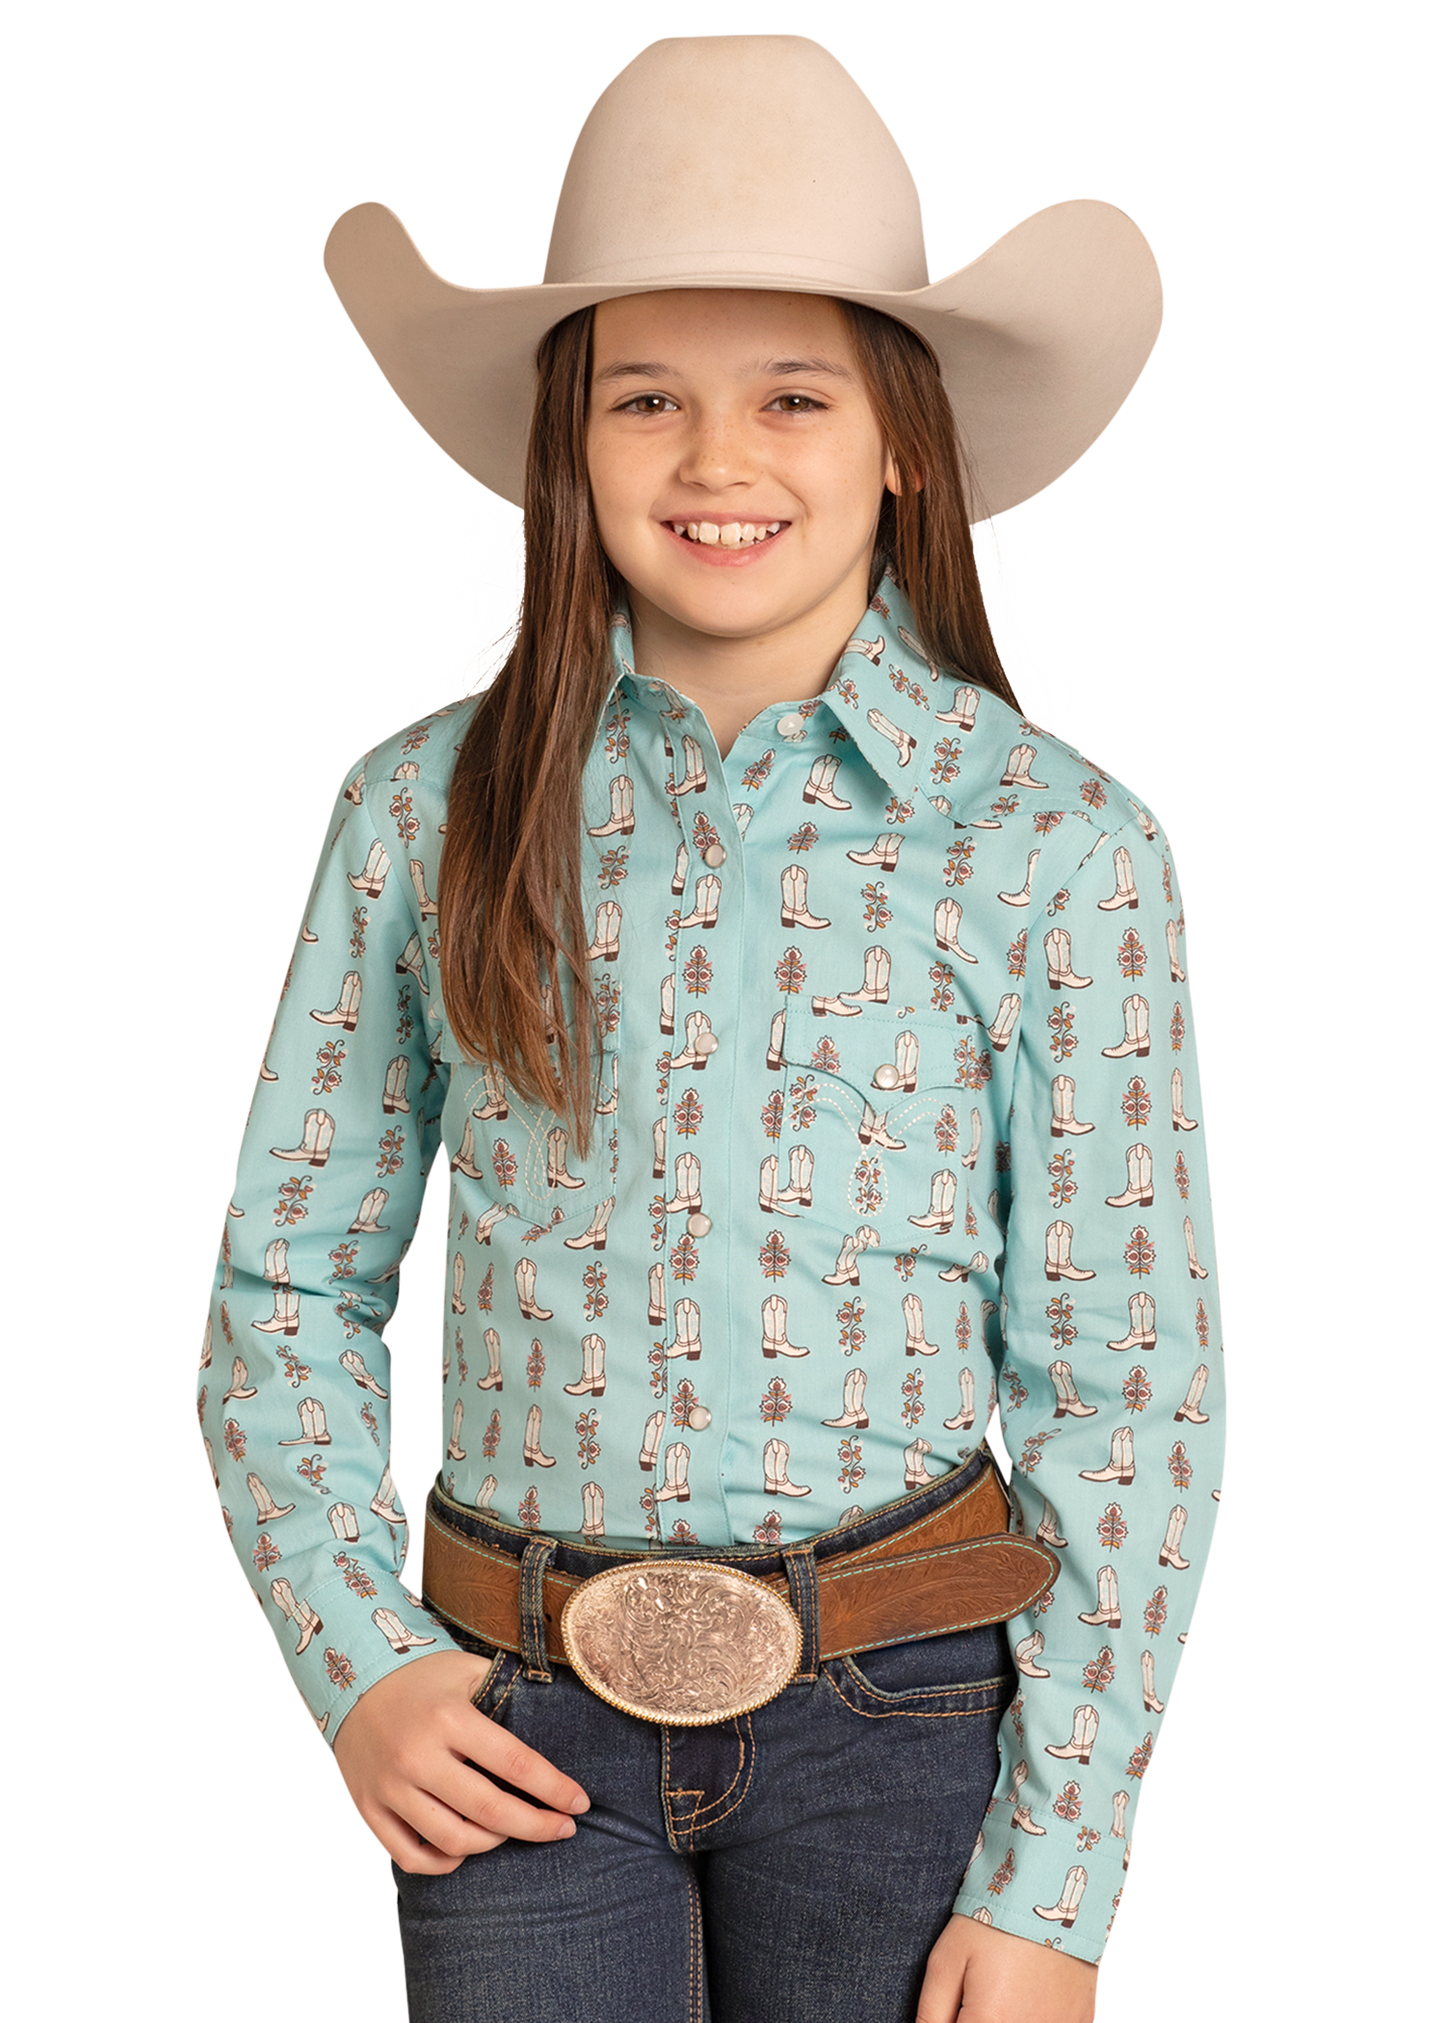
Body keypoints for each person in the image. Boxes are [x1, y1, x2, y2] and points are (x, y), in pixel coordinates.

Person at [195, 32, 1226, 2023]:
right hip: (511, 1725)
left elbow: (1127, 1383)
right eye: (645, 397)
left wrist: (1059, 1883)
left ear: (903, 437)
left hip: (909, 1725)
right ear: (565, 441)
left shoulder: (1053, 847)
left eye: (790, 394)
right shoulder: (415, 813)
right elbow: (286, 1282)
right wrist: (363, 1658)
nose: (714, 460)